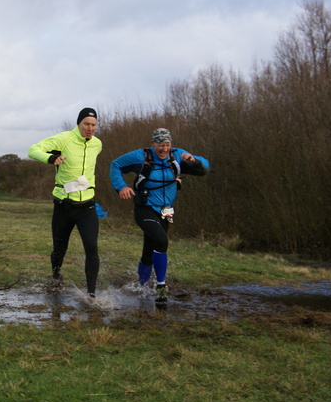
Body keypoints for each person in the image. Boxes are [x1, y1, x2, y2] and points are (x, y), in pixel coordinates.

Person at [109, 128, 209, 303]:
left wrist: (193, 160)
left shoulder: (177, 155)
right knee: (161, 240)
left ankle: (141, 287)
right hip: (145, 209)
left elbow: (205, 168)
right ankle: (161, 287)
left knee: (149, 250)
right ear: (152, 143)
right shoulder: (140, 156)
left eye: (167, 145)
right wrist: (121, 186)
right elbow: (115, 165)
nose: (164, 149)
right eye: (160, 145)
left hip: (166, 210)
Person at [28, 107, 102, 298]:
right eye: (86, 124)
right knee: (59, 249)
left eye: (93, 125)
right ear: (79, 123)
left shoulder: (97, 144)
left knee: (92, 247)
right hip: (64, 205)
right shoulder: (64, 139)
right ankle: (56, 276)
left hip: (87, 205)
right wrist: (51, 157)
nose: (90, 128)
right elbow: (32, 150)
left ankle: (91, 293)